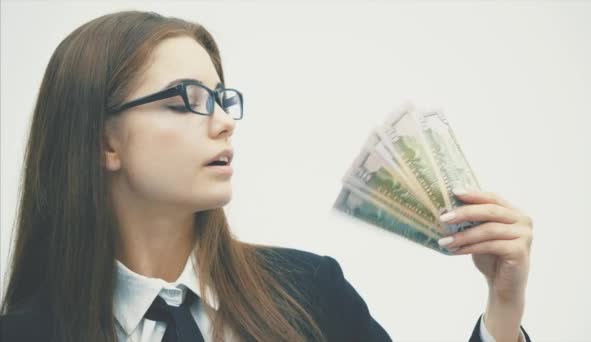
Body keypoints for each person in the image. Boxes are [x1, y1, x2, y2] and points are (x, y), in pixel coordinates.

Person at [0, 10, 533, 342]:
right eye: (187, 100)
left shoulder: (312, 292)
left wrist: (503, 308)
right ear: (103, 141)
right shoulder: (25, 332)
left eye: (222, 99)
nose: (225, 123)